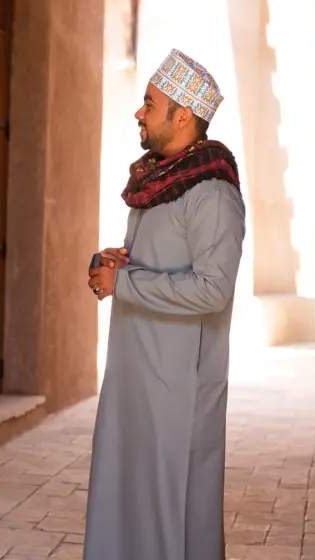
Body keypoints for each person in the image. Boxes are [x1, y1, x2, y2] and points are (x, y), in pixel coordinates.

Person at [84, 49, 247, 560]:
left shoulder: (212, 193)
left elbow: (212, 289)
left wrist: (125, 285)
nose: (139, 113)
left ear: (182, 117)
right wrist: (117, 264)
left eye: (149, 105)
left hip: (178, 389)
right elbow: (154, 264)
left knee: (175, 508)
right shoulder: (158, 182)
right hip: (137, 377)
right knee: (127, 494)